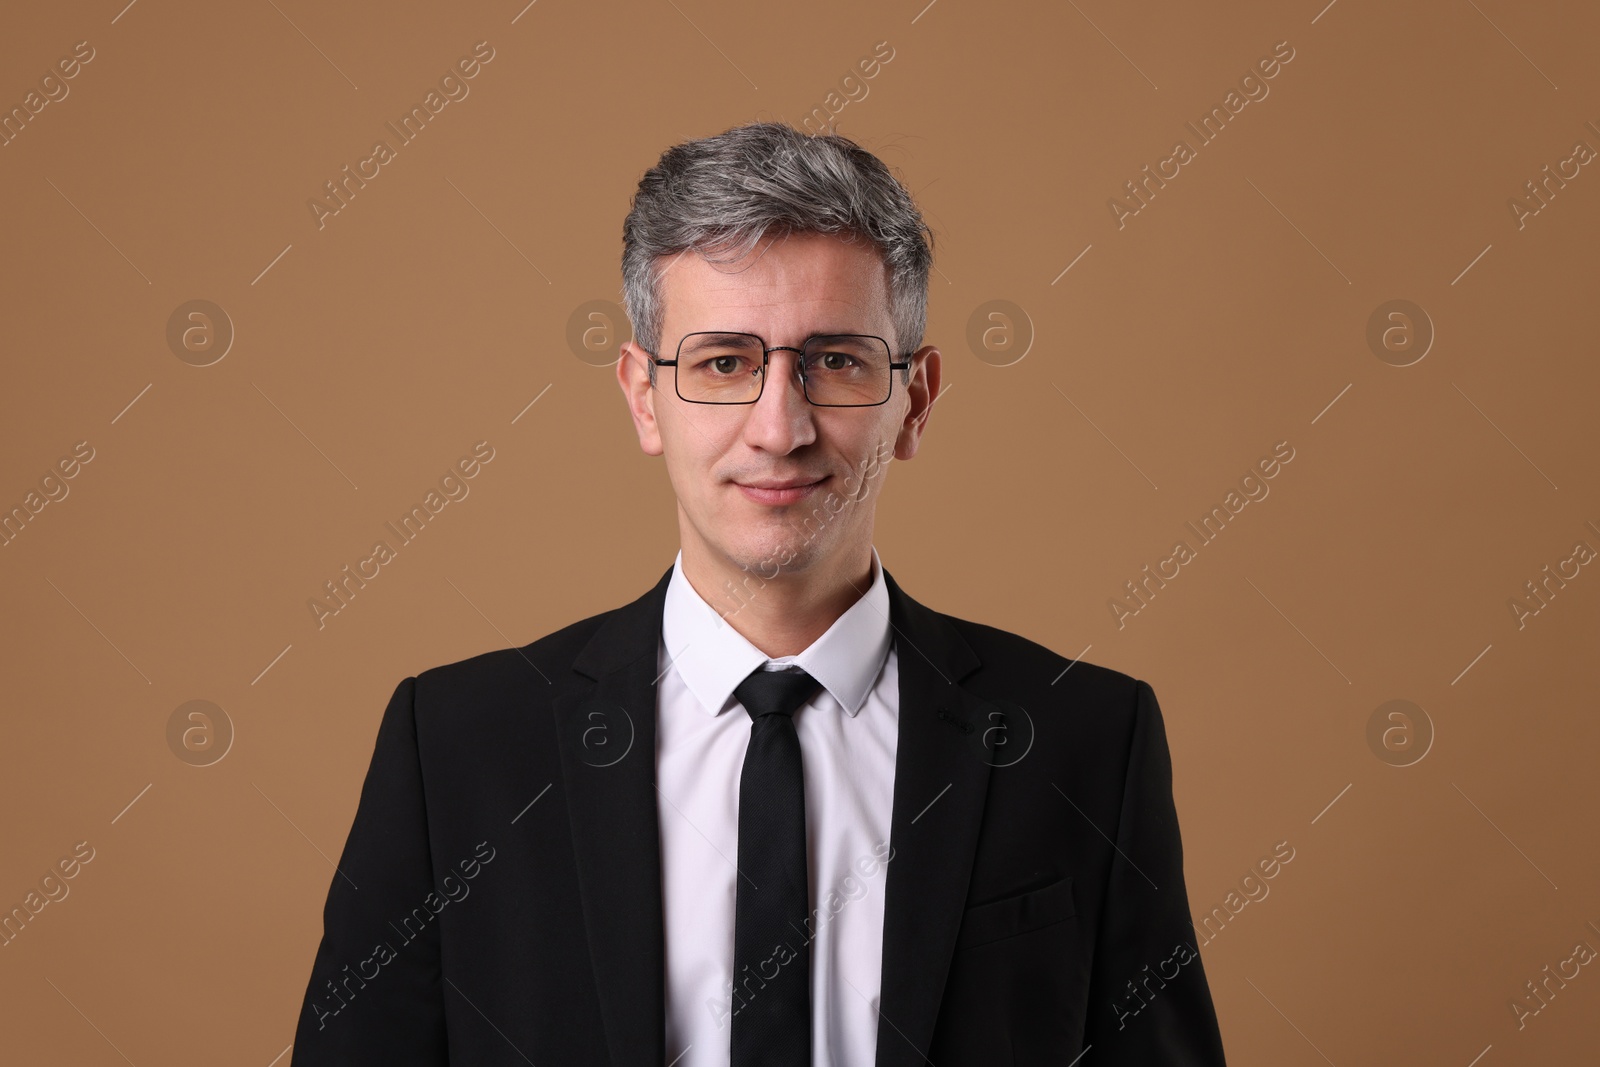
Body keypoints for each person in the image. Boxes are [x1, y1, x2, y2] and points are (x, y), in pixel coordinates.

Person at [290, 121, 1226, 1066]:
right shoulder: (456, 749)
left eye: (836, 361)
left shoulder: (1087, 745)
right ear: (643, 397)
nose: (779, 428)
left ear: (918, 399)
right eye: (725, 364)